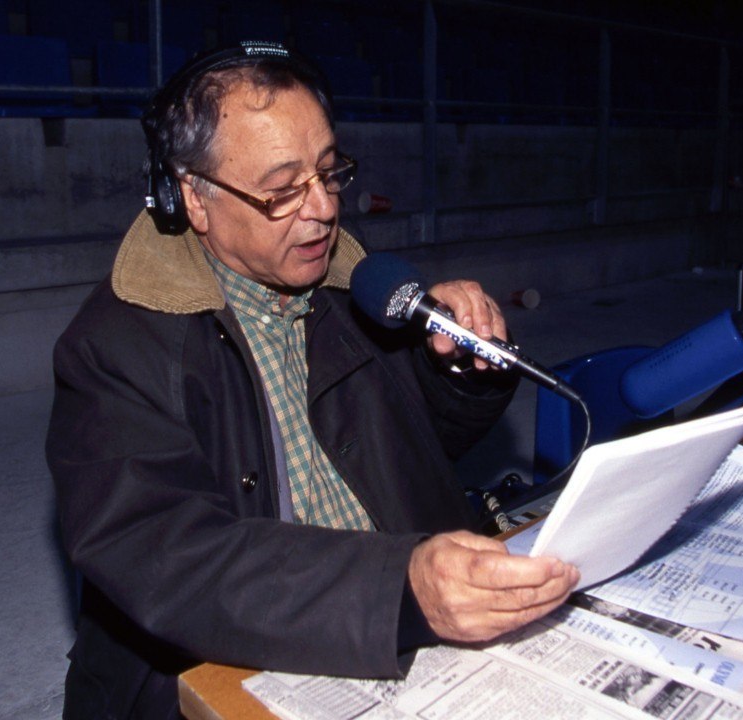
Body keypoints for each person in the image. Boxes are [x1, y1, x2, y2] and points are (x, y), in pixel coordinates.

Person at [46, 40, 579, 719]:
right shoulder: (112, 348)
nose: (323, 209)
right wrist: (399, 590)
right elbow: (171, 561)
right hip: (232, 658)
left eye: (330, 174)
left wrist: (457, 373)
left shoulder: (354, 289)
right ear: (193, 199)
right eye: (281, 190)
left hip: (404, 621)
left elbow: (422, 451)